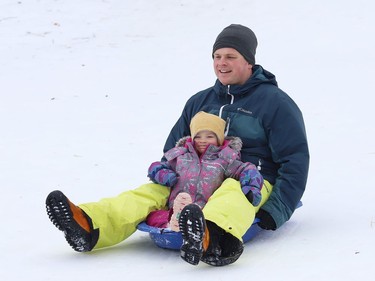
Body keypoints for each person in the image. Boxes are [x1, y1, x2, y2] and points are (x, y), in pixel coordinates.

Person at [45, 23, 309, 266]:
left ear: (249, 61)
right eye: (217, 57)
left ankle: (211, 239)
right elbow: (174, 147)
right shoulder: (200, 101)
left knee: (232, 192)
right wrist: (167, 174)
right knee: (148, 193)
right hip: (193, 175)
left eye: (231, 56)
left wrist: (277, 209)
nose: (222, 63)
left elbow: (295, 159)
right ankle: (89, 223)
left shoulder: (275, 103)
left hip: (250, 178)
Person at [145, 111, 263, 232]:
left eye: (209, 136)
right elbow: (157, 166)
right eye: (198, 136)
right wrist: (163, 174)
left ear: (219, 138)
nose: (202, 140)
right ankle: (172, 223)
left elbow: (247, 170)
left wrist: (251, 188)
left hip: (207, 211)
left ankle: (193, 225)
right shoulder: (181, 156)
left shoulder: (225, 159)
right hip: (175, 208)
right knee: (153, 216)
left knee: (214, 219)